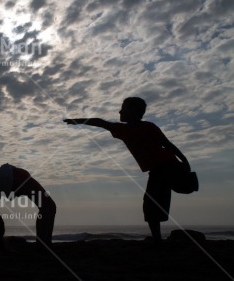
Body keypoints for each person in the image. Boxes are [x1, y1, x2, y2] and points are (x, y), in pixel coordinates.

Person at [64, 97, 191, 243]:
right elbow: (100, 122)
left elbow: (167, 144)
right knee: (153, 203)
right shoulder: (123, 129)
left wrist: (185, 161)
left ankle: (157, 239)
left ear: (134, 112)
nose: (120, 111)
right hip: (160, 169)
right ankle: (157, 238)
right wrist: (78, 121)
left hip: (167, 166)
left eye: (123, 108)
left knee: (152, 203)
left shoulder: (148, 127)